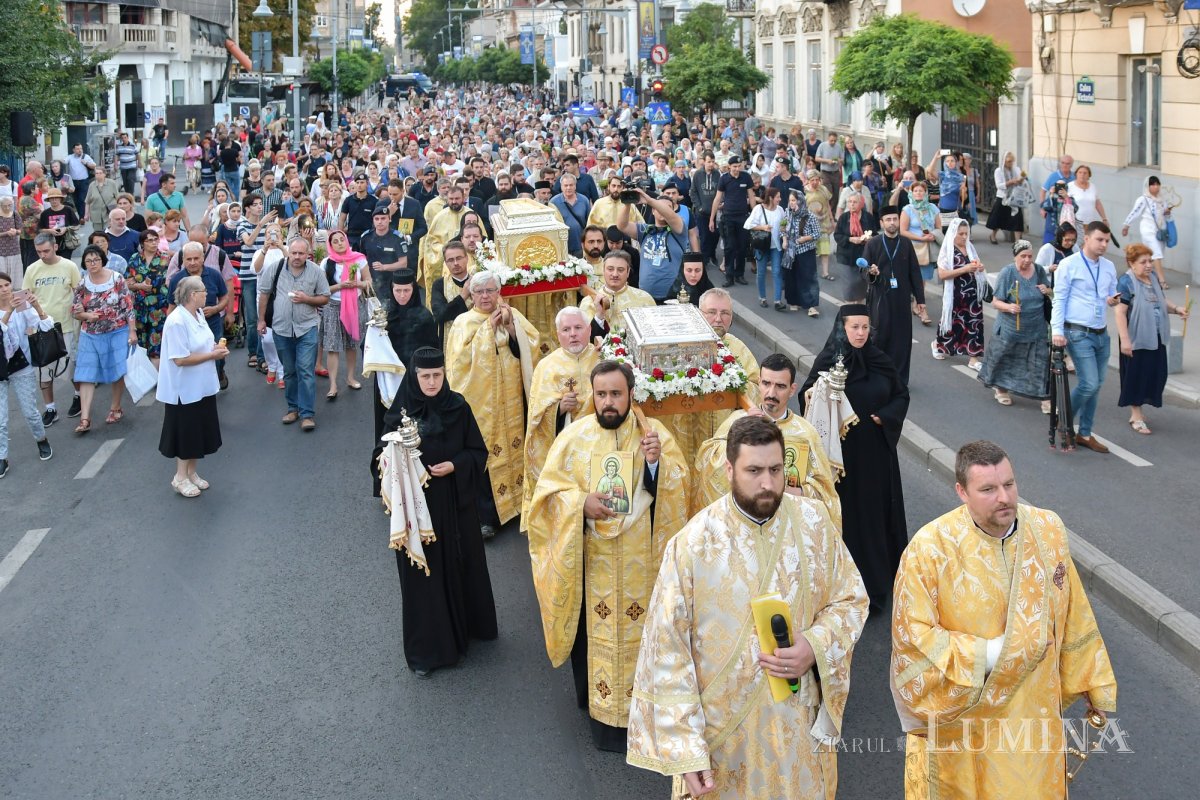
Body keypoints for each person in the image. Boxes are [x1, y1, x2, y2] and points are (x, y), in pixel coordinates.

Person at [628, 415, 867, 799]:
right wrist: (687, 752)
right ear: (728, 469)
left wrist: (815, 645)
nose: (768, 483)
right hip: (724, 739)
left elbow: (851, 599)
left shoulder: (813, 522)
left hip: (796, 730)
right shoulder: (692, 544)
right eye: (753, 470)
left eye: (775, 469)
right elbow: (666, 652)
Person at [891, 440, 1117, 800]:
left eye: (1009, 484)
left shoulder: (1047, 530)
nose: (1004, 498)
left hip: (1034, 713)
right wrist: (997, 653)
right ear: (961, 492)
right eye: (988, 489)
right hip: (971, 717)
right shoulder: (929, 549)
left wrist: (1095, 683)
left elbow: (1073, 610)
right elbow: (912, 640)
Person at [527, 360, 689, 752]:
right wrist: (580, 503)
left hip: (640, 567)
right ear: (593, 395)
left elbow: (682, 489)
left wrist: (655, 465)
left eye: (616, 394)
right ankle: (598, 712)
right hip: (592, 564)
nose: (608, 402)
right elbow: (545, 497)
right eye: (601, 395)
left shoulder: (655, 437)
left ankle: (640, 715)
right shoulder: (574, 438)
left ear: (631, 393)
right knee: (591, 638)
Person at [376, 347, 498, 677]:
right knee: (424, 580)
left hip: (456, 507)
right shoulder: (399, 415)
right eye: (425, 376)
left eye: (437, 375)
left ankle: (469, 631)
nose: (432, 382)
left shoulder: (458, 406)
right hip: (418, 514)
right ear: (414, 378)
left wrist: (455, 465)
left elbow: (478, 452)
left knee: (462, 566)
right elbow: (379, 460)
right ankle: (428, 652)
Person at [800, 304, 909, 608]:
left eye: (864, 327)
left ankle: (876, 586)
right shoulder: (828, 361)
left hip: (875, 457)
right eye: (854, 327)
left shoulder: (881, 360)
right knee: (846, 519)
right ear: (842, 328)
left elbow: (901, 394)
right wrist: (812, 394)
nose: (860, 333)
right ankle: (841, 588)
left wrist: (885, 416)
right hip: (842, 461)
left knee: (874, 518)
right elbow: (807, 394)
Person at [444, 270, 540, 537]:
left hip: (513, 401)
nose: (486, 296)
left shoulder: (513, 314)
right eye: (480, 292)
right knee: (487, 453)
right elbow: (459, 364)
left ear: (499, 292)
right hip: (483, 403)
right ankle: (488, 517)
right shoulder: (465, 322)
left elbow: (532, 348)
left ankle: (520, 506)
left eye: (490, 290)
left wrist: (510, 328)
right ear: (471, 295)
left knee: (517, 448)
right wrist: (488, 330)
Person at [694, 353, 838, 517]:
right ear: (759, 383)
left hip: (788, 519)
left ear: (792, 390)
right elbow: (707, 464)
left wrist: (794, 490)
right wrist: (741, 433)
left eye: (780, 386)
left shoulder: (806, 432)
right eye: (766, 383)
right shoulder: (738, 421)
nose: (771, 393)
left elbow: (825, 491)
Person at [521, 306, 600, 524]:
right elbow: (536, 420)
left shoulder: (602, 357)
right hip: (567, 446)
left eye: (578, 327)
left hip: (601, 442)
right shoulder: (547, 367)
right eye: (566, 329)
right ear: (558, 335)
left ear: (589, 330)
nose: (572, 334)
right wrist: (559, 409)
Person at [1050, 221, 1118, 453]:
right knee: (1089, 383)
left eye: (1107, 241)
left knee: (1097, 385)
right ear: (1086, 239)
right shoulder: (1069, 265)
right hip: (1077, 332)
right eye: (1100, 239)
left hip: (1101, 332)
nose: (1104, 245)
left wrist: (1112, 299)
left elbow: (1110, 294)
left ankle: (1085, 433)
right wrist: (1057, 331)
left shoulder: (1108, 266)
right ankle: (1064, 418)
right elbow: (1059, 299)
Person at [157, 275, 226, 498]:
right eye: (204, 291)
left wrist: (214, 347)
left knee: (199, 430)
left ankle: (192, 473)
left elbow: (202, 342)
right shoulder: (176, 321)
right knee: (186, 433)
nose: (208, 294)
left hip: (201, 385)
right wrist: (211, 355)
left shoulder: (197, 314)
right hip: (183, 389)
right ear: (193, 295)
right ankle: (179, 477)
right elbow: (180, 359)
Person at [256, 237, 331, 432]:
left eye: (301, 254)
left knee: (305, 371)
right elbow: (264, 293)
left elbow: (324, 297)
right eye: (294, 253)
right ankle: (293, 408)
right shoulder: (276, 268)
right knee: (289, 371)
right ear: (288, 252)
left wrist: (307, 299)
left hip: (307, 328)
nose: (296, 257)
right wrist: (261, 319)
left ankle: (307, 414)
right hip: (281, 329)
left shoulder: (316, 271)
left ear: (308, 254)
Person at [1115, 243, 1188, 434]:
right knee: (1137, 376)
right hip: (1136, 337)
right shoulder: (1126, 282)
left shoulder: (1152, 277)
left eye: (1150, 261)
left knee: (1156, 374)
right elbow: (1120, 313)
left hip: (1155, 336)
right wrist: (1125, 340)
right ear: (1131, 263)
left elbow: (1161, 300)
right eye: (1143, 262)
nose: (1149, 265)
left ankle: (1140, 409)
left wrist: (1176, 309)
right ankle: (1135, 415)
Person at [977, 240, 1053, 409]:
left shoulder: (1039, 271)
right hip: (1012, 328)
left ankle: (1044, 398)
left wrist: (1047, 291)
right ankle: (1001, 389)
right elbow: (996, 302)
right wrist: (1009, 307)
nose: (1027, 260)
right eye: (1023, 256)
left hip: (1037, 327)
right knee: (1006, 359)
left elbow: (1050, 292)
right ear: (1015, 257)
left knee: (1040, 362)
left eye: (1030, 256)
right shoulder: (1008, 273)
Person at [71, 244, 136, 435]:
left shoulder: (117, 279)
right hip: (90, 334)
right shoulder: (83, 284)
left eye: (96, 259)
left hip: (117, 330)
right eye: (88, 261)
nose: (92, 264)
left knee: (117, 370)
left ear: (102, 260)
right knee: (85, 373)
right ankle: (85, 418)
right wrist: (87, 316)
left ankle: (115, 408)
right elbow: (75, 311)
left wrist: (132, 331)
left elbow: (128, 307)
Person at [863, 205, 926, 385]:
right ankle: (877, 375)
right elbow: (863, 269)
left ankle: (899, 379)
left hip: (902, 298)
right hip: (880, 298)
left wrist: (920, 299)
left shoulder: (905, 243)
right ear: (882, 223)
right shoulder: (873, 243)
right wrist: (871, 273)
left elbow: (914, 272)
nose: (892, 223)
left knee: (902, 340)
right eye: (888, 220)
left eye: (895, 219)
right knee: (880, 337)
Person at [0, 273, 55, 477]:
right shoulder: (11, 309)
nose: (5, 289)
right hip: (0, 368)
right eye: (0, 286)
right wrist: (9, 311)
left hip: (21, 365)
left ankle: (42, 440)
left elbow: (45, 326)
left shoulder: (21, 305)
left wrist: (37, 306)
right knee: (1, 419)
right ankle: (2, 457)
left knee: (30, 411)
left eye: (7, 285)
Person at [166, 242, 230, 389]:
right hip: (187, 327)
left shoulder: (214, 275)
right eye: (188, 259)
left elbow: (225, 297)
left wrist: (216, 309)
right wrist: (168, 332)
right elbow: (171, 306)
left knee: (217, 355)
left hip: (212, 323)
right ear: (183, 260)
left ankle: (219, 373)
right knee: (194, 356)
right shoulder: (177, 279)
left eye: (196, 258)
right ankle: (201, 385)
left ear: (203, 258)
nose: (193, 262)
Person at [319, 229, 370, 399]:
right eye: (335, 241)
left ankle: (350, 377)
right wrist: (341, 286)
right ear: (330, 245)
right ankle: (333, 384)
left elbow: (368, 282)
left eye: (342, 239)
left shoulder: (359, 258)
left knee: (351, 344)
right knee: (332, 347)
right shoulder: (326, 262)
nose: (340, 243)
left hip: (355, 305)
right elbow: (322, 289)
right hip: (333, 306)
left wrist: (357, 283)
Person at [616, 186, 686, 303]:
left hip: (672, 295)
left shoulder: (679, 229)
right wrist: (628, 203)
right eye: (659, 207)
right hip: (646, 295)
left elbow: (672, 218)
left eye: (667, 207)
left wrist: (650, 200)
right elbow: (622, 225)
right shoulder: (645, 230)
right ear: (653, 211)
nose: (663, 210)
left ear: (673, 211)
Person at [933, 217, 986, 369]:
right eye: (961, 234)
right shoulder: (947, 250)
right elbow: (942, 274)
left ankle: (973, 358)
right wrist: (964, 269)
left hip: (973, 294)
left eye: (966, 233)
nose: (964, 237)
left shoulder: (970, 248)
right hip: (955, 294)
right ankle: (937, 344)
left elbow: (976, 264)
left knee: (974, 323)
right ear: (953, 233)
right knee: (953, 324)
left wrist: (980, 267)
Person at [579, 250, 654, 342]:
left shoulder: (644, 299)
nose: (615, 274)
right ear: (603, 270)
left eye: (620, 270)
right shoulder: (588, 302)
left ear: (628, 272)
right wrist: (599, 315)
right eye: (610, 269)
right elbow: (584, 339)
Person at [125, 229, 170, 361]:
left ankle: (157, 380)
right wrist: (139, 286)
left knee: (157, 347)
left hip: (160, 307)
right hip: (139, 308)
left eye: (156, 239)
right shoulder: (135, 259)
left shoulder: (165, 258)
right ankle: (143, 378)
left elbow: (170, 281)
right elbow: (127, 282)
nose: (153, 243)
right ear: (142, 243)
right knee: (140, 346)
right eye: (149, 240)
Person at [710, 156, 755, 287]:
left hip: (743, 217)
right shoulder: (724, 178)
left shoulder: (746, 177)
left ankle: (739, 274)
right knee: (730, 247)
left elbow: (751, 196)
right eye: (734, 166)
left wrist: (754, 215)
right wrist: (712, 219)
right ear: (729, 166)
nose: (736, 169)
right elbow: (717, 199)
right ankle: (729, 276)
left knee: (742, 247)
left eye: (738, 166)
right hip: (728, 217)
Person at [1121, 176, 1173, 289]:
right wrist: (1126, 225)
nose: (1156, 187)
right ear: (1147, 186)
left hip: (1160, 231)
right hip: (1148, 230)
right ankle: (1161, 280)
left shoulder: (1162, 200)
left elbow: (1166, 216)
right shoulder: (1143, 199)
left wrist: (1168, 213)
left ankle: (1139, 273)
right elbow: (1134, 212)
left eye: (1157, 184)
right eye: (1152, 184)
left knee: (1152, 255)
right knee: (1157, 254)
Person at [779, 189, 822, 314]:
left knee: (808, 277)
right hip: (790, 251)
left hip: (806, 251)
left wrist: (805, 238)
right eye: (790, 201)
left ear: (800, 201)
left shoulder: (810, 216)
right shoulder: (788, 214)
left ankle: (811, 306)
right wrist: (784, 240)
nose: (791, 203)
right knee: (791, 277)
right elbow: (782, 228)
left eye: (794, 200)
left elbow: (817, 233)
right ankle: (794, 301)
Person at [359, 203, 410, 301]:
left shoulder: (397, 238)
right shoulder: (365, 237)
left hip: (391, 281)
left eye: (383, 218)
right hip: (371, 281)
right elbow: (361, 259)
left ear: (389, 219)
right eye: (377, 219)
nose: (380, 222)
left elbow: (404, 263)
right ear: (373, 220)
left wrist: (384, 267)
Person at [833, 193, 878, 302]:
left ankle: (859, 306)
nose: (852, 204)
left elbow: (876, 235)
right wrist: (850, 239)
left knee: (861, 283)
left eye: (855, 202)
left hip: (863, 256)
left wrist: (870, 239)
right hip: (846, 256)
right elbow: (837, 235)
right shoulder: (844, 217)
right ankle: (849, 307)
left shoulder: (868, 217)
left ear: (861, 203)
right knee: (850, 285)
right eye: (850, 202)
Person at [746, 186, 786, 310]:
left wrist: (784, 237)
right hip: (762, 245)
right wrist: (763, 227)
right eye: (778, 197)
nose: (780, 199)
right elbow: (748, 225)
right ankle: (762, 298)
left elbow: (784, 226)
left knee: (777, 272)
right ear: (771, 198)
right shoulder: (758, 209)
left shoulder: (780, 210)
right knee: (761, 272)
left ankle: (778, 301)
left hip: (776, 246)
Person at [986, 151, 1028, 244]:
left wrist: (1021, 179)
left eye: (1012, 161)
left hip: (1014, 197)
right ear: (1004, 161)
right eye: (1008, 161)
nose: (1010, 163)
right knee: (999, 218)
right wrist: (1010, 182)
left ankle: (1018, 240)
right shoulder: (999, 171)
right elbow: (999, 185)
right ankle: (993, 235)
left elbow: (1021, 180)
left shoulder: (1016, 169)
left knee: (1017, 218)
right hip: (1003, 197)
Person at [803, 169, 836, 281]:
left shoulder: (823, 190)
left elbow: (828, 205)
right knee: (811, 250)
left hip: (824, 223)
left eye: (817, 179)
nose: (815, 182)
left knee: (824, 249)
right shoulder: (804, 192)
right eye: (813, 180)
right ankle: (809, 273)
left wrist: (832, 221)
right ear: (808, 181)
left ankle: (825, 273)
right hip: (810, 225)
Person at [550, 173, 592, 257]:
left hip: (580, 245)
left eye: (571, 185)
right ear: (561, 187)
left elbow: (589, 222)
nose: (568, 188)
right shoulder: (554, 202)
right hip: (563, 246)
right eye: (565, 185)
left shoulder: (584, 200)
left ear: (575, 186)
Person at [38, 188, 80, 258]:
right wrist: (49, 231)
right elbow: (39, 229)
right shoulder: (45, 213)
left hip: (66, 242)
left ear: (60, 199)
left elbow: (76, 225)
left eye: (56, 198)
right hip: (50, 244)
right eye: (52, 199)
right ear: (49, 200)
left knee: (65, 264)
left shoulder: (68, 210)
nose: (54, 200)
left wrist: (66, 229)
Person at [814, 131, 844, 206]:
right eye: (831, 140)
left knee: (836, 194)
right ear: (828, 139)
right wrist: (827, 161)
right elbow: (817, 158)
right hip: (825, 172)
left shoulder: (839, 147)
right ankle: (827, 209)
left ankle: (833, 213)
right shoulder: (822, 145)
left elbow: (842, 159)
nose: (833, 142)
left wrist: (838, 160)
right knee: (829, 192)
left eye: (835, 140)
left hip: (835, 172)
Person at [0, 198, 22, 289]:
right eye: (5, 206)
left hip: (14, 248)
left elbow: (20, 230)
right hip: (1, 249)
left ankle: (14, 290)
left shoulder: (15, 214)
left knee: (15, 272)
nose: (7, 208)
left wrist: (15, 231)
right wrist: (6, 233)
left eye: (9, 205)